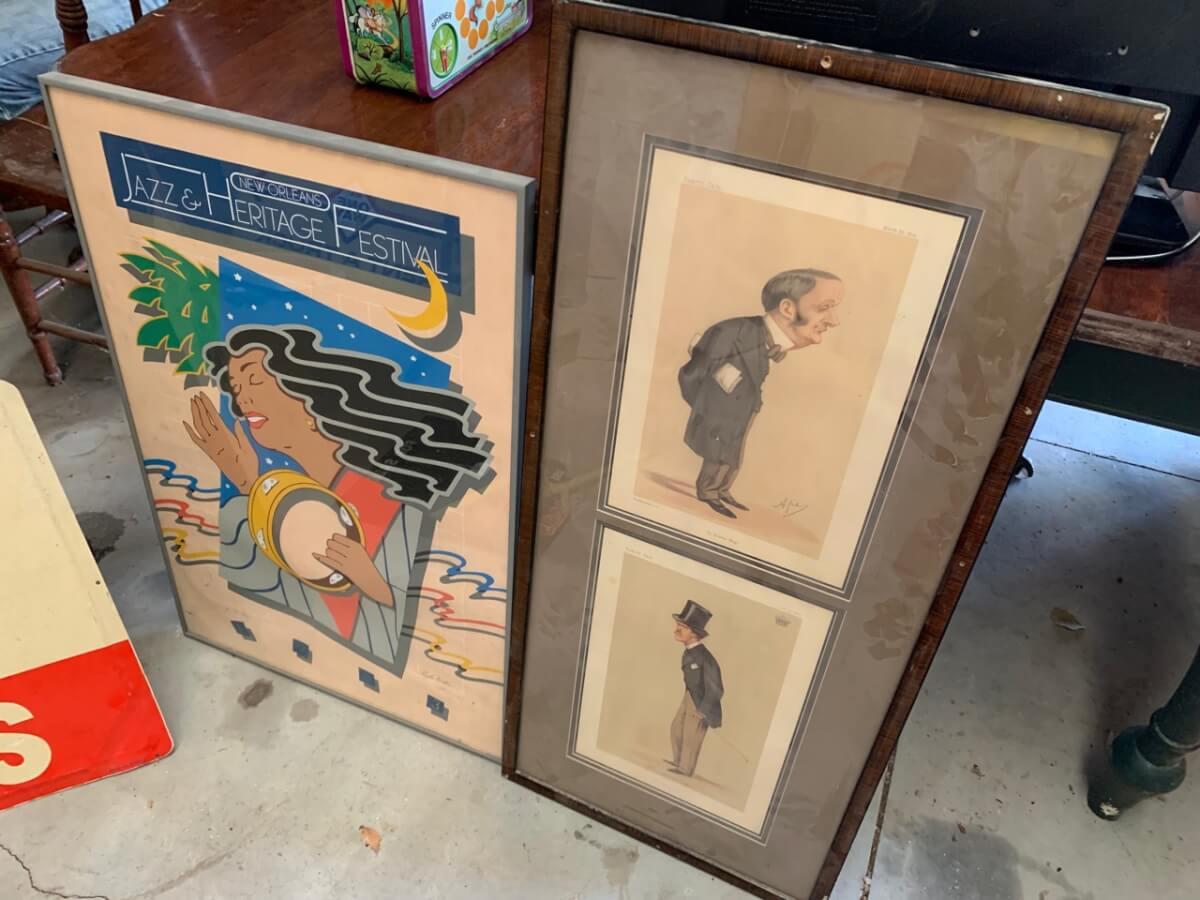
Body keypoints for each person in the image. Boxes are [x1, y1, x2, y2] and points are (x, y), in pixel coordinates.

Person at [184, 324, 491, 674]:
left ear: (309, 394)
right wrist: (247, 483)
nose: (242, 400)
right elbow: (277, 582)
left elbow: (416, 620)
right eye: (237, 387)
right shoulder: (300, 496)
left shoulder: (394, 500)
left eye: (255, 380)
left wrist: (373, 583)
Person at [677, 268, 843, 518]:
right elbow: (691, 376)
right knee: (717, 452)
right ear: (787, 308)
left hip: (746, 408)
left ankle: (723, 489)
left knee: (734, 453)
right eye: (824, 307)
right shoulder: (729, 332)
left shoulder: (772, 340)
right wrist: (708, 409)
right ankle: (708, 492)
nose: (834, 320)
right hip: (720, 413)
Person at [669, 600, 724, 777]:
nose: (677, 629)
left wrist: (704, 709)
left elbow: (716, 689)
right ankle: (678, 761)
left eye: (682, 627)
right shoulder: (689, 652)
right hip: (689, 696)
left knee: (691, 736)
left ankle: (685, 768)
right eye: (678, 625)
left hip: (702, 703)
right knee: (676, 729)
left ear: (694, 633)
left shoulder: (705, 658)